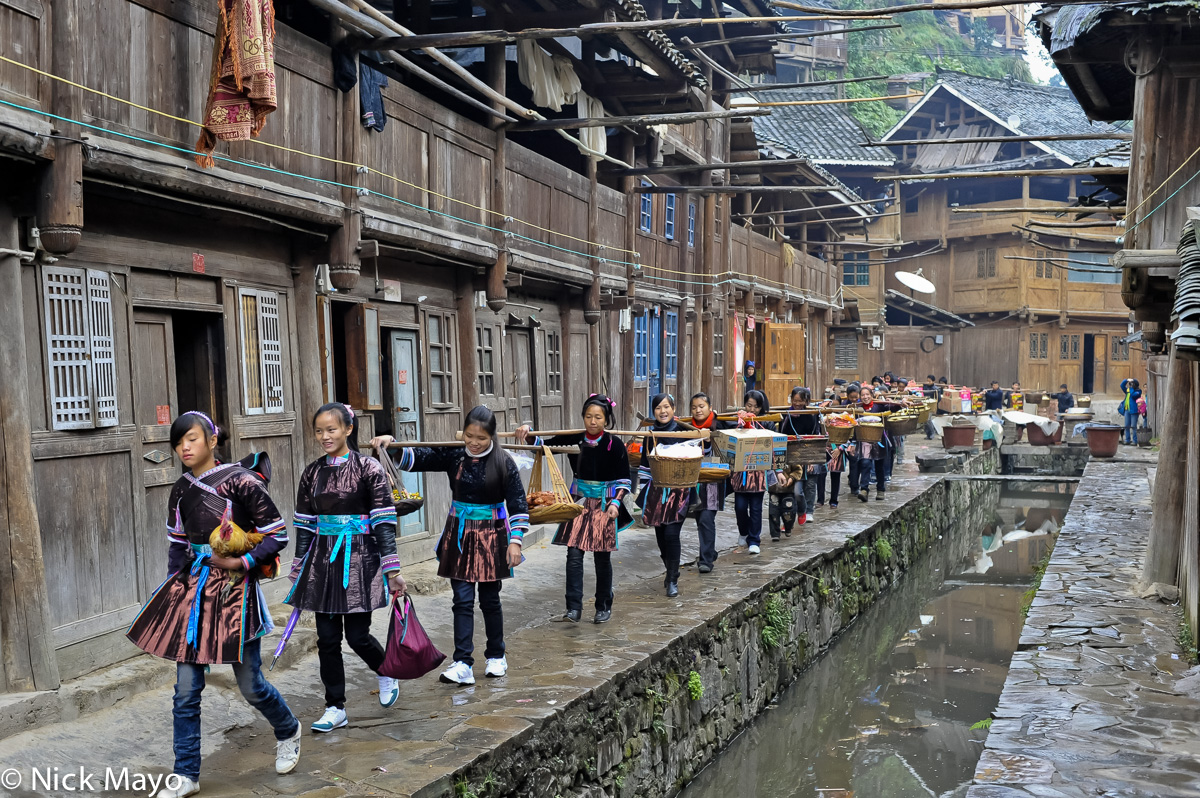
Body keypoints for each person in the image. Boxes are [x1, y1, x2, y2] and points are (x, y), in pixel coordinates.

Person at [127, 412, 300, 798]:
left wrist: (241, 562)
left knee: (251, 686)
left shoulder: (242, 481)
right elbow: (177, 544)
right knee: (186, 690)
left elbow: (277, 535)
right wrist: (176, 587)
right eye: (178, 443)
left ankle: (288, 729)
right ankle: (186, 773)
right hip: (193, 592)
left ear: (211, 439)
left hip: (235, 592)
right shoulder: (180, 489)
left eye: (191, 439)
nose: (184, 448)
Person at [372, 406, 527, 685]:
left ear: (492, 436)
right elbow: (419, 458)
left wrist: (515, 542)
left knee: (490, 600)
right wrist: (391, 446)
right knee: (462, 600)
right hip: (459, 535)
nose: (474, 442)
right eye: (469, 436)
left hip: (492, 535)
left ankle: (496, 655)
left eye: (481, 437)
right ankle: (462, 662)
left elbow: (518, 505)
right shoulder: (454, 455)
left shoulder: (504, 463)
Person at [287, 403, 405, 733]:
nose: (325, 436)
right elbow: (305, 523)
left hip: (360, 560)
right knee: (326, 638)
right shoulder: (311, 472)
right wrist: (298, 565)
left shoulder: (369, 469)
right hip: (324, 561)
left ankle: (385, 671)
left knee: (356, 635)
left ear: (348, 430)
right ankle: (335, 706)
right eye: (319, 431)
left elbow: (383, 521)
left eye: (332, 430)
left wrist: (392, 569)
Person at [517, 394, 632, 624]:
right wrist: (528, 434)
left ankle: (603, 605)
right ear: (583, 417)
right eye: (588, 416)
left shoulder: (615, 444)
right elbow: (544, 446)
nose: (592, 421)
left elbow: (624, 480)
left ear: (606, 419)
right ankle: (573, 609)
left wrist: (616, 503)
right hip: (578, 503)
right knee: (574, 555)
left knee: (601, 557)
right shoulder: (574, 439)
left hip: (604, 503)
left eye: (598, 417)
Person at [637, 393, 693, 597]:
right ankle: (670, 568)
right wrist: (644, 493)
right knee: (661, 538)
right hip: (657, 492)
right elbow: (644, 466)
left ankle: (672, 579)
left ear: (673, 409)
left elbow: (701, 450)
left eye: (667, 407)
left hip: (680, 491)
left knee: (671, 534)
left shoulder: (684, 431)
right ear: (654, 412)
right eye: (658, 408)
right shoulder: (649, 436)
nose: (663, 411)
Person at [688, 392, 734, 573]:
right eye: (694, 407)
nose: (698, 410)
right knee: (700, 519)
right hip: (694, 480)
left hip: (713, 480)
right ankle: (710, 551)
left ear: (709, 408)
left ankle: (705, 560)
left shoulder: (721, 424)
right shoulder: (686, 427)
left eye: (701, 406)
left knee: (707, 518)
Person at [732, 390, 775, 555]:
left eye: (756, 407)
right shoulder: (737, 420)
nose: (752, 409)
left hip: (758, 472)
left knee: (756, 508)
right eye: (749, 405)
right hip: (740, 472)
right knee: (740, 507)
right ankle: (744, 531)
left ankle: (754, 540)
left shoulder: (767, 423)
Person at [779, 386, 819, 525]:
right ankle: (795, 512)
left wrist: (810, 458)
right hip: (791, 453)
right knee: (795, 489)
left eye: (800, 401)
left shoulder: (812, 415)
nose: (796, 404)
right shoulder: (786, 414)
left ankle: (808, 511)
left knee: (810, 484)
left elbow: (814, 435)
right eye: (794, 400)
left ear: (806, 401)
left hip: (807, 450)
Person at [1119, 378, 1142, 444]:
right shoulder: (1128, 391)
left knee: (1133, 426)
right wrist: (1127, 380)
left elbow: (1133, 395)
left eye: (1132, 384)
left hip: (1134, 411)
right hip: (1127, 410)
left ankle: (1135, 440)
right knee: (1126, 426)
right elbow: (1122, 385)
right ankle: (1127, 439)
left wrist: (1132, 387)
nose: (1130, 385)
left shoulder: (1138, 391)